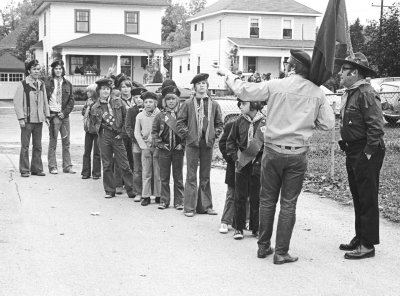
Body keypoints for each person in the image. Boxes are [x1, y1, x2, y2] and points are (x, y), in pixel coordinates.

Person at [216, 49, 335, 264]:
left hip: (272, 151)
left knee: (267, 199)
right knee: (288, 203)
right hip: (297, 153)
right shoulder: (317, 92)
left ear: (292, 67)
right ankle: (281, 252)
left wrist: (227, 74)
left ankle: (263, 246)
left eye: (287, 64)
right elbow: (328, 124)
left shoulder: (276, 86)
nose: (285, 67)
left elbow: (245, 90)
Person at [335, 52, 385, 260]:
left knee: (367, 197)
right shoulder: (352, 92)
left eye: (344, 70)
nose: (339, 73)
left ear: (354, 73)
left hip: (366, 151)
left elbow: (376, 126)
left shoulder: (365, 92)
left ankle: (368, 244)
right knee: (358, 195)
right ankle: (360, 236)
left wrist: (367, 153)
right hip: (353, 149)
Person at [176, 73, 223, 217]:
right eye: (199, 83)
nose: (202, 85)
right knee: (191, 175)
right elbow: (180, 122)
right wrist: (188, 135)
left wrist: (214, 134)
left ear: (207, 86)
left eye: (204, 83)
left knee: (205, 175)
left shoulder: (214, 104)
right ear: (194, 87)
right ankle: (189, 207)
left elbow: (219, 123)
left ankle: (205, 206)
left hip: (207, 144)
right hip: (192, 143)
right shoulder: (188, 104)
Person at [226, 99, 265, 240]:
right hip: (242, 163)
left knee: (256, 197)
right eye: (239, 104)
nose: (240, 106)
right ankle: (239, 228)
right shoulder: (238, 121)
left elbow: (269, 144)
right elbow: (230, 141)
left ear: (254, 104)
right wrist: (236, 157)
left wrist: (261, 159)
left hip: (258, 164)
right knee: (240, 196)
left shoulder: (265, 122)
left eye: (243, 104)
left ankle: (256, 228)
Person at [90, 78, 135, 199]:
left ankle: (131, 189)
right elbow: (93, 123)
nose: (105, 91)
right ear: (98, 91)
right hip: (104, 135)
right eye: (103, 89)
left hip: (117, 135)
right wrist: (101, 132)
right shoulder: (95, 107)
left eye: (107, 89)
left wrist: (122, 133)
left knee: (124, 163)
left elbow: (126, 118)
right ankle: (110, 190)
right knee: (107, 164)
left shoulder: (118, 102)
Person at [13, 59, 50, 177]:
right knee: (25, 146)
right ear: (29, 70)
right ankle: (24, 169)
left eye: (38, 69)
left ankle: (37, 169)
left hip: (39, 120)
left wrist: (47, 115)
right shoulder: (23, 84)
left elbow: (45, 101)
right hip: (27, 121)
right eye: (34, 69)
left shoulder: (41, 84)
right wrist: (21, 118)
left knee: (38, 146)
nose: (36, 71)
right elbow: (17, 103)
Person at [152, 86, 185, 210]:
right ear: (164, 101)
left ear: (177, 100)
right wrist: (160, 143)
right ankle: (164, 201)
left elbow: (187, 131)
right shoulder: (160, 116)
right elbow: (154, 131)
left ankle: (179, 202)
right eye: (168, 99)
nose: (171, 101)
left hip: (178, 150)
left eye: (173, 99)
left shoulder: (182, 115)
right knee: (164, 177)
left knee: (178, 176)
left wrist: (183, 144)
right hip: (164, 150)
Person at [45, 60, 75, 174]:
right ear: (53, 70)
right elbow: (44, 100)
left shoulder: (68, 84)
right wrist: (47, 114)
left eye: (60, 68)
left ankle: (67, 166)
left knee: (66, 141)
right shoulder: (47, 83)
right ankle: (52, 166)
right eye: (56, 68)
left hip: (64, 116)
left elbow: (71, 100)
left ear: (63, 70)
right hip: (53, 115)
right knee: (53, 141)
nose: (58, 70)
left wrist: (65, 112)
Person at [134, 91, 161, 206]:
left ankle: (159, 194)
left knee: (158, 171)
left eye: (151, 102)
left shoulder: (160, 115)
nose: (148, 104)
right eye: (146, 102)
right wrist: (143, 147)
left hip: (157, 146)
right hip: (145, 147)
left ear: (155, 103)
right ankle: (146, 195)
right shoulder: (140, 116)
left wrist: (157, 142)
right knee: (146, 171)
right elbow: (137, 133)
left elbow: (162, 130)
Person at [114, 76, 135, 194]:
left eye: (127, 87)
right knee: (119, 159)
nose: (125, 89)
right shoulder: (117, 101)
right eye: (123, 87)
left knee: (132, 159)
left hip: (133, 133)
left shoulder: (135, 99)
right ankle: (118, 183)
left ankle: (131, 184)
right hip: (121, 133)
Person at [125, 86, 147, 202]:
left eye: (140, 97)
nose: (139, 100)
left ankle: (148, 191)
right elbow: (128, 127)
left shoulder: (150, 109)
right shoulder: (131, 111)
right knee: (137, 168)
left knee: (148, 167)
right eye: (136, 97)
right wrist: (135, 139)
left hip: (149, 143)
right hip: (137, 143)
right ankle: (138, 191)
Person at [218, 120, 236, 234]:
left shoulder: (260, 125)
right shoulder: (232, 125)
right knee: (231, 194)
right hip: (234, 164)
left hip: (253, 166)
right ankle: (226, 220)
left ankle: (246, 220)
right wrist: (230, 158)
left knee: (250, 194)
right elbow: (223, 143)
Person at [81, 83, 101, 179]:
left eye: (89, 91)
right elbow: (83, 113)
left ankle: (96, 173)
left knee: (97, 153)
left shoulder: (98, 102)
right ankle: (85, 172)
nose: (87, 93)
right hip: (88, 130)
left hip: (97, 131)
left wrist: (91, 106)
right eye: (87, 91)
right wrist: (87, 106)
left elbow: (97, 114)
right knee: (87, 152)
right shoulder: (88, 101)